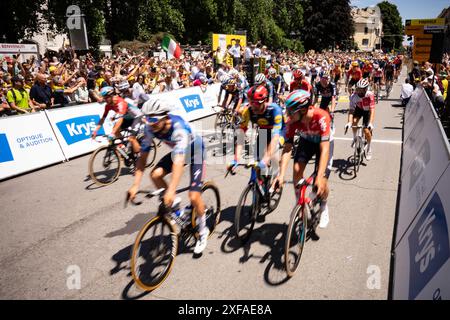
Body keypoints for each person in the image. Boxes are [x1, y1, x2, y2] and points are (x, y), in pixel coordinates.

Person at [127, 99, 210, 254]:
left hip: (196, 153)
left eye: (153, 120)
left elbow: (178, 162)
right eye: (147, 119)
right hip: (180, 152)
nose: (149, 124)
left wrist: (171, 190)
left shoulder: (179, 128)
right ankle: (176, 204)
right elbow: (143, 158)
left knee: (193, 196)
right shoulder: (150, 128)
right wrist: (135, 185)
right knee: (155, 174)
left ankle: (203, 231)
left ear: (165, 117)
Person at [272, 89, 332, 229]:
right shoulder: (292, 121)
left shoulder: (321, 117)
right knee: (297, 170)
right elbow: (287, 148)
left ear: (303, 110)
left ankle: (323, 205)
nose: (287, 114)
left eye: (291, 111)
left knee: (321, 181)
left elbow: (324, 150)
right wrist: (280, 175)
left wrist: (319, 175)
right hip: (307, 141)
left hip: (323, 144)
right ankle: (300, 203)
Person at [227, 85, 285, 205]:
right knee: (256, 162)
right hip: (263, 131)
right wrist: (236, 159)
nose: (253, 106)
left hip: (279, 132)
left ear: (264, 101)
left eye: (257, 103)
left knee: (271, 157)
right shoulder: (248, 111)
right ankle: (258, 187)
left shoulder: (275, 110)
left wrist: (266, 159)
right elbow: (241, 135)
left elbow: (275, 138)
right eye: (251, 103)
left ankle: (276, 176)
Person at [91, 86, 143, 157]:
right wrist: (95, 130)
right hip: (127, 117)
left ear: (111, 95)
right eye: (104, 97)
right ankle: (124, 147)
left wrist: (112, 133)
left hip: (136, 117)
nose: (105, 99)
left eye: (106, 97)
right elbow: (103, 118)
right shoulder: (108, 105)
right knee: (116, 129)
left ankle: (140, 158)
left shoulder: (120, 102)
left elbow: (120, 119)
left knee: (131, 138)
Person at [345, 78, 375, 160]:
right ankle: (355, 138)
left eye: (361, 90)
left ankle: (369, 147)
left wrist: (371, 123)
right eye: (358, 89)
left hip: (367, 111)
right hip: (358, 109)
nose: (359, 92)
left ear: (365, 89)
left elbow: (372, 110)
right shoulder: (353, 96)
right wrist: (349, 122)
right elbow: (351, 111)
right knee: (354, 122)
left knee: (366, 130)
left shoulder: (370, 95)